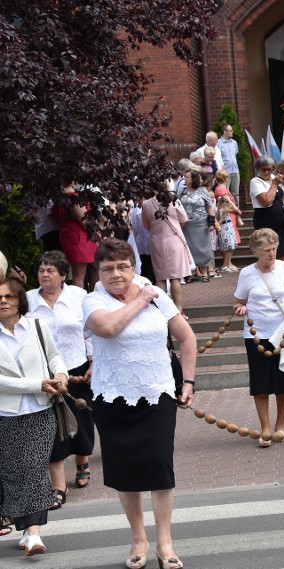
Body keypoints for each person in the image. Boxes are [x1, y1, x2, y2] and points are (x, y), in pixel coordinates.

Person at [82, 238, 196, 569]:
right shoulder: (93, 302)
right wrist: (142, 298)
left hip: (157, 394)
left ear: (134, 267)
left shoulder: (156, 295)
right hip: (112, 396)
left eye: (123, 266)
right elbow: (107, 328)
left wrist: (187, 381)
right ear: (98, 272)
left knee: (160, 464)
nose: (116, 274)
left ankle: (165, 541)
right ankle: (137, 539)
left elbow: (186, 337)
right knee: (125, 469)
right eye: (108, 268)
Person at [0, 274, 68, 556]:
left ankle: (35, 534)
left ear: (20, 301)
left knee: (35, 467)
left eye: (9, 297)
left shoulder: (37, 326)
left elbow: (54, 356)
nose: (3, 302)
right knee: (14, 472)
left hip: (41, 410)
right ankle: (26, 529)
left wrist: (61, 375)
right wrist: (36, 383)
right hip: (6, 414)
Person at [25, 252, 94, 511]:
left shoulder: (78, 296)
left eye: (50, 270)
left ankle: (82, 461)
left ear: (63, 275)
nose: (44, 274)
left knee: (82, 418)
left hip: (76, 366)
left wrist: (93, 361)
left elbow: (90, 331)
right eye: (41, 269)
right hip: (44, 371)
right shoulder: (29, 299)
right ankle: (58, 484)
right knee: (51, 422)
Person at [233, 229, 284, 447]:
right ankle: (265, 428)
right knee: (261, 382)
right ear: (255, 251)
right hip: (257, 334)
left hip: (282, 332)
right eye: (266, 251)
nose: (272, 254)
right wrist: (240, 309)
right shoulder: (246, 273)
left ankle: (280, 425)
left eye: (274, 249)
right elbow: (238, 301)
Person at [142, 185, 192, 317]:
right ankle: (178, 309)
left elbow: (146, 225)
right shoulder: (173, 200)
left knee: (160, 277)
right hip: (174, 239)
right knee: (175, 277)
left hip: (157, 241)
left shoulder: (146, 204)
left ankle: (162, 310)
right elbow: (184, 219)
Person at [54, 182, 99, 289]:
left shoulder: (60, 198)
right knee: (79, 275)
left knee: (78, 273)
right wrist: (98, 235)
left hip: (70, 235)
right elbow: (84, 221)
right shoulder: (73, 197)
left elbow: (55, 217)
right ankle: (79, 302)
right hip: (79, 237)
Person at [250, 155, 284, 261]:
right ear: (258, 169)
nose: (267, 172)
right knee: (267, 252)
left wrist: (283, 201)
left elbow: (278, 195)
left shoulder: (273, 178)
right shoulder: (255, 181)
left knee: (282, 254)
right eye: (264, 169)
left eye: (270, 169)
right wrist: (275, 184)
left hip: (280, 223)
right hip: (265, 221)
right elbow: (266, 201)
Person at [180, 169, 217, 281]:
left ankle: (205, 272)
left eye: (187, 177)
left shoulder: (202, 191)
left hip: (201, 223)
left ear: (193, 179)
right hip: (186, 224)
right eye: (184, 177)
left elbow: (209, 206)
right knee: (190, 248)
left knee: (203, 248)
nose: (185, 179)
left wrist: (211, 222)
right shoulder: (182, 191)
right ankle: (192, 272)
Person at [214, 169, 242, 272]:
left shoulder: (220, 188)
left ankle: (228, 263)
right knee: (230, 241)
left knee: (229, 241)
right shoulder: (222, 189)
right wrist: (236, 210)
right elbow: (227, 203)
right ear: (225, 178)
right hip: (227, 217)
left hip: (228, 216)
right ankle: (226, 264)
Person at [217, 125, 241, 205]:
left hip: (235, 170)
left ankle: (236, 212)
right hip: (225, 172)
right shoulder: (218, 143)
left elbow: (235, 155)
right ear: (225, 132)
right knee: (225, 192)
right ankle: (226, 212)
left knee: (236, 193)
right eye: (230, 130)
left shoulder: (234, 143)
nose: (232, 132)